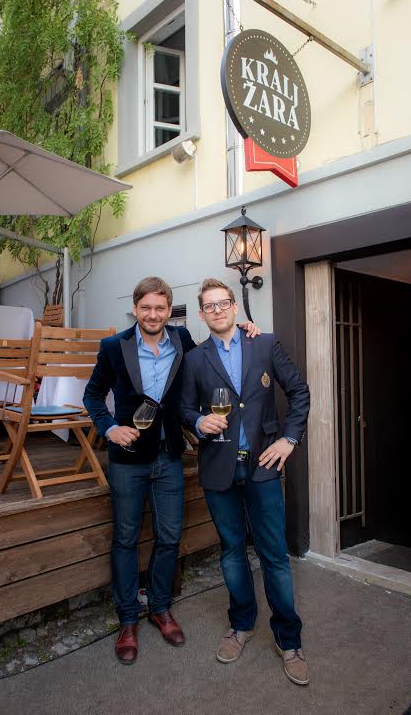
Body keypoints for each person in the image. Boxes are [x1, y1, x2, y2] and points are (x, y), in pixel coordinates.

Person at [83, 276, 260, 665]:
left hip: (169, 457)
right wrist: (110, 428)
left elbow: (213, 361)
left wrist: (244, 331)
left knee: (169, 537)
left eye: (160, 308)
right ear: (135, 309)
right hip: (128, 458)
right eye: (146, 307)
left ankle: (160, 607)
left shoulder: (181, 340)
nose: (153, 314)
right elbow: (92, 395)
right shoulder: (114, 347)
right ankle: (128, 618)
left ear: (169, 311)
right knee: (125, 539)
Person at [181, 278, 310, 685]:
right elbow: (184, 408)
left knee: (274, 556)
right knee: (232, 552)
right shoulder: (194, 359)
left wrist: (290, 439)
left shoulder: (264, 343)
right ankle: (241, 624)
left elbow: (299, 391)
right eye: (209, 306)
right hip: (219, 467)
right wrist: (198, 421)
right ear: (201, 314)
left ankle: (289, 640)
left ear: (235, 307)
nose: (217, 310)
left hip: (263, 465)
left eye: (223, 303)